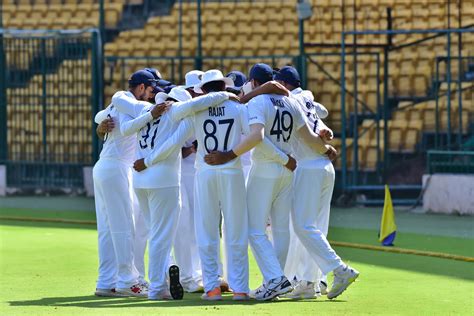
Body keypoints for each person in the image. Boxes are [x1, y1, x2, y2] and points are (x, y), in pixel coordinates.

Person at [205, 63, 359, 301]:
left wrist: (229, 155)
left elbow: (258, 136)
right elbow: (309, 137)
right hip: (288, 171)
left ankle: (276, 278)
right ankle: (276, 281)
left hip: (267, 168)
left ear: (255, 82)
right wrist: (326, 148)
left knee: (255, 229)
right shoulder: (291, 102)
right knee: (280, 229)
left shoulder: (257, 102)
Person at [113, 83, 237, 300]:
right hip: (163, 180)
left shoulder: (145, 109)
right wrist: (226, 94)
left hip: (140, 180)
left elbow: (117, 100)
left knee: (155, 234)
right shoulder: (177, 111)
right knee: (161, 236)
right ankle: (157, 287)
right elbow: (197, 108)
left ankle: (161, 276)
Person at [92, 70, 167, 298]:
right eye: (151, 89)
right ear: (142, 87)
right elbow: (125, 127)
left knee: (108, 229)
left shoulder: (122, 104)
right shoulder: (125, 101)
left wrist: (99, 124)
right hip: (116, 168)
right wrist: (150, 114)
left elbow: (99, 116)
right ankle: (127, 281)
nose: (152, 93)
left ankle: (106, 281)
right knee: (124, 227)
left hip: (106, 167)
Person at [275, 66, 335, 298]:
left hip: (307, 167)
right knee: (317, 226)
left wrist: (324, 134)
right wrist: (325, 131)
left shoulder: (291, 100)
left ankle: (312, 278)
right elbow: (323, 112)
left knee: (302, 226)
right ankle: (314, 280)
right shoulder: (306, 96)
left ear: (285, 84)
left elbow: (318, 117)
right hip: (324, 166)